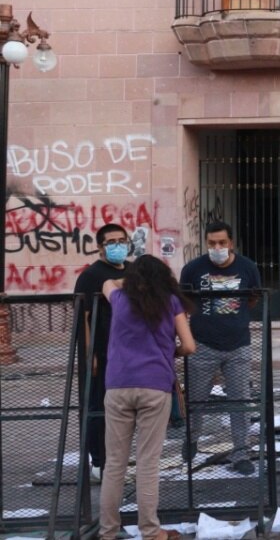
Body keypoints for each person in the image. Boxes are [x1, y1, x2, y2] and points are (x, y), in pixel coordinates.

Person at [99, 255, 195, 540]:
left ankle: (107, 532)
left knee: (114, 463)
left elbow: (107, 282)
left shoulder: (118, 298)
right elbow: (189, 346)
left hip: (117, 386)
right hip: (155, 385)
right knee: (147, 463)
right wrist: (170, 353)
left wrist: (126, 279)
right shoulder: (171, 302)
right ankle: (151, 531)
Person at [179, 221, 262, 475]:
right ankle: (191, 440)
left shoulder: (247, 267)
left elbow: (252, 298)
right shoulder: (193, 269)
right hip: (202, 344)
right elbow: (184, 303)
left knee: (240, 401)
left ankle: (241, 453)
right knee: (196, 399)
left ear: (231, 243)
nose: (217, 248)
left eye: (222, 243)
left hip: (238, 345)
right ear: (206, 243)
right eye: (212, 243)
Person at [74, 223, 130, 482]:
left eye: (122, 240)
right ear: (100, 247)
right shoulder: (90, 276)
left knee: (124, 409)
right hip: (102, 351)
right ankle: (99, 461)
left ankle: (117, 459)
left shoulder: (133, 271)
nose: (118, 245)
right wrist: (89, 354)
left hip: (127, 352)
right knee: (99, 407)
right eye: (111, 242)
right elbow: (82, 318)